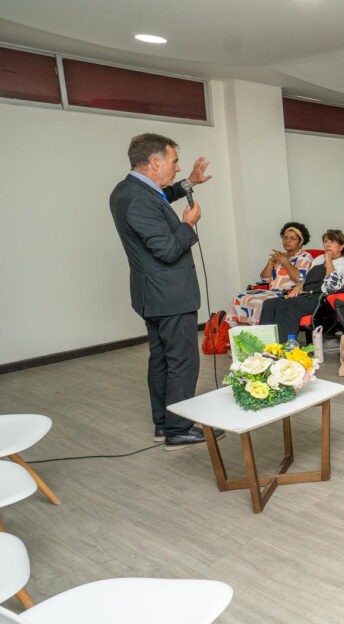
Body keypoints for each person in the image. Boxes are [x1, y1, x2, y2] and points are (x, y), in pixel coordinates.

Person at [110, 132, 216, 450]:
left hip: (152, 293)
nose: (176, 166)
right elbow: (168, 250)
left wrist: (189, 183)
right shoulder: (139, 199)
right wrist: (188, 224)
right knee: (182, 360)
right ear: (154, 162)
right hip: (169, 293)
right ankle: (179, 429)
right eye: (173, 161)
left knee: (161, 359)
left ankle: (164, 423)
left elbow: (160, 198)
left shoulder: (128, 190)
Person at [260, 229, 344, 341]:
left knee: (287, 305)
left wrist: (329, 262)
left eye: (333, 241)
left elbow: (331, 288)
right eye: (326, 241)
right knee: (269, 304)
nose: (328, 244)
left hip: (323, 299)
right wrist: (299, 287)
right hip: (306, 295)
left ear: (341, 246)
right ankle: (266, 345)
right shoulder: (319, 259)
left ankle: (285, 348)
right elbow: (306, 280)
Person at [228, 222, 314, 325]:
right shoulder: (281, 256)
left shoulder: (304, 256)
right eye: (285, 238)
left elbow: (299, 279)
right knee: (240, 297)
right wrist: (271, 262)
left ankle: (260, 335)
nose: (287, 241)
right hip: (271, 290)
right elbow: (265, 280)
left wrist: (285, 262)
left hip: (287, 293)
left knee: (259, 302)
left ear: (301, 242)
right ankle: (242, 335)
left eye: (292, 239)